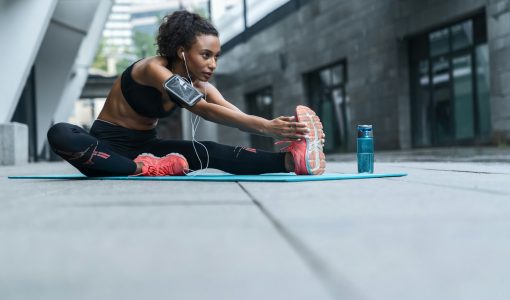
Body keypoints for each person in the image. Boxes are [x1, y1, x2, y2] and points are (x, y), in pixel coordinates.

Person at [47, 10, 325, 177]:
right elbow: (201, 109)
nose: (212, 64)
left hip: (149, 150)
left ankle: (292, 161)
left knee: (211, 151)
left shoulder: (202, 85)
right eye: (205, 55)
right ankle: (142, 170)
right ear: (182, 51)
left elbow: (234, 114)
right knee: (60, 132)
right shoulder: (152, 69)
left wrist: (283, 130)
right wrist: (266, 127)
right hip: (104, 149)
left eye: (216, 56)